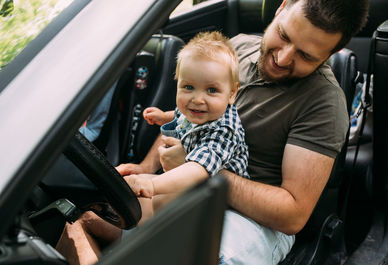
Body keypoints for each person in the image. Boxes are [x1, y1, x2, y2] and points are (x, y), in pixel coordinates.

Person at [56, 0, 369, 264]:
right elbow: (188, 117)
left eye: (306, 56)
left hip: (255, 222)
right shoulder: (237, 47)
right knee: (77, 223)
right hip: (188, 190)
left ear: (329, 54)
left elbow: (292, 215)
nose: (283, 58)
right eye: (284, 36)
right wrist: (147, 167)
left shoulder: (324, 104)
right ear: (282, 7)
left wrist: (197, 169)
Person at [124, 31, 249, 204]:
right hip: (189, 182)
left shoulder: (225, 130)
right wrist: (163, 117)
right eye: (188, 87)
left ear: (232, 94)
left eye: (212, 90)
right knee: (126, 190)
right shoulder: (199, 112)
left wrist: (153, 185)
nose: (197, 100)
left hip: (215, 196)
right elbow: (179, 114)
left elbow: (198, 169)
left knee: (157, 199)